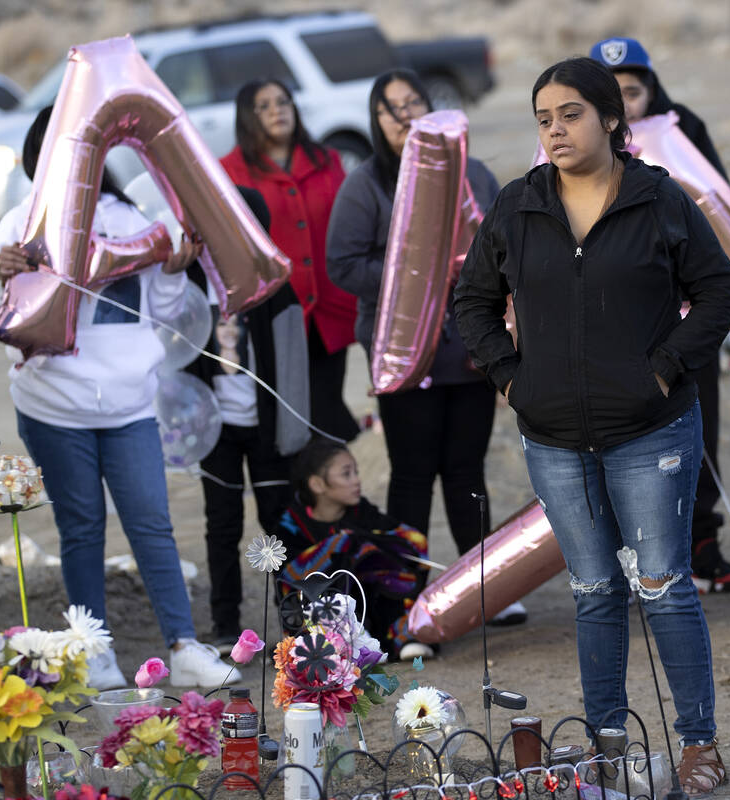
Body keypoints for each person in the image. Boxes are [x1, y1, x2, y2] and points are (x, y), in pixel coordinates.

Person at [454, 58, 730, 794]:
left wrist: (665, 369)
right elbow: (471, 304)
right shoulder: (517, 207)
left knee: (666, 585)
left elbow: (717, 292)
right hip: (553, 437)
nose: (555, 129)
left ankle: (699, 745)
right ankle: (609, 742)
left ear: (612, 119)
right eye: (544, 117)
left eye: (571, 113)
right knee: (592, 590)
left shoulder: (659, 200)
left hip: (652, 429)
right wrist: (512, 377)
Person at [0, 106, 238, 690]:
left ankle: (185, 645)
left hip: (130, 406)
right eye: (60, 151)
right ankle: (91, 649)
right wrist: (1, 272)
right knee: (82, 527)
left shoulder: (130, 219)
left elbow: (164, 317)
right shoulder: (21, 222)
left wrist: (172, 272)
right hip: (52, 407)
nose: (74, 162)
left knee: (152, 524)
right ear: (38, 159)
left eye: (83, 150)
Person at [325, 70, 523, 624]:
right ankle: (402, 594)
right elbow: (342, 263)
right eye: (391, 109)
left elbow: (502, 249)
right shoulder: (366, 184)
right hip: (403, 352)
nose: (405, 115)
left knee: (466, 470)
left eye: (413, 102)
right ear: (376, 121)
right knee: (412, 474)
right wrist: (414, 279)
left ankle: (483, 587)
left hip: (468, 348)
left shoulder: (474, 175)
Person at [589, 36, 730, 595]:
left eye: (634, 91)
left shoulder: (685, 131)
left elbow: (718, 205)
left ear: (651, 90)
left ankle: (703, 546)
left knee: (696, 430)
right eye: (615, 94)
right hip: (609, 329)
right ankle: (629, 562)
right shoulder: (574, 146)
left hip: (684, 322)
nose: (628, 105)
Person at [183, 185, 311, 654]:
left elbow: (295, 367)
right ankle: (224, 623)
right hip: (215, 426)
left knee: (277, 520)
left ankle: (294, 613)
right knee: (221, 522)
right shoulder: (194, 285)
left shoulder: (274, 287)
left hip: (268, 427)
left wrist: (292, 433)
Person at [220, 79, 359, 442]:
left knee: (327, 410)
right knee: (289, 419)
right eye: (263, 106)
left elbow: (348, 228)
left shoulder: (326, 160)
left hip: (328, 313)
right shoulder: (229, 171)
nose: (276, 111)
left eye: (282, 102)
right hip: (275, 313)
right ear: (246, 118)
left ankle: (330, 494)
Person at [275, 438, 430, 660]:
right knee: (341, 551)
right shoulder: (290, 525)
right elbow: (287, 579)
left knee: (372, 555)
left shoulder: (361, 512)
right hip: (316, 616)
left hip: (370, 606)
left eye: (356, 472)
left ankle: (398, 635)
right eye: (347, 474)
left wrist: (364, 545)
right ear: (317, 484)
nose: (357, 480)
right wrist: (340, 545)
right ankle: (335, 645)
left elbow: (414, 542)